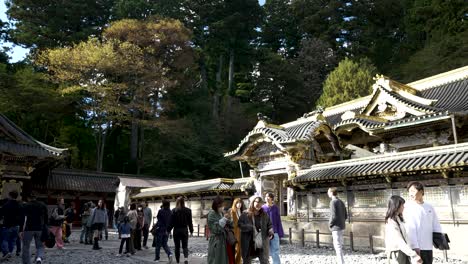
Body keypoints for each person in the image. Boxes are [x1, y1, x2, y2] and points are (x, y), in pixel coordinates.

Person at [404, 181, 443, 264]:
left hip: (428, 245)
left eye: (413, 191)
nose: (410, 193)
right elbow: (409, 228)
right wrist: (414, 247)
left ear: (421, 191)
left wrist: (440, 240)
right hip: (415, 247)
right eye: (409, 191)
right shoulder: (407, 207)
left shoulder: (429, 207)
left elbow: (435, 224)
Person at [385, 195, 422, 264]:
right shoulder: (391, 221)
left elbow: (405, 236)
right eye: (402, 205)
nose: (403, 207)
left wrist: (411, 249)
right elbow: (399, 241)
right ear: (396, 206)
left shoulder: (398, 218)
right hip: (397, 251)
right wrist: (413, 254)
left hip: (403, 250)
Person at [238, 196, 274, 264]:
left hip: (261, 242)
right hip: (249, 243)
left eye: (260, 203)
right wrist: (248, 227)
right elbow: (239, 224)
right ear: (252, 202)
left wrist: (270, 232)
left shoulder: (264, 214)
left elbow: (270, 224)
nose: (259, 204)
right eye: (257, 202)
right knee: (247, 261)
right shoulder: (245, 214)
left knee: (264, 261)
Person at [19, 194, 48, 264]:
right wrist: (45, 226)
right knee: (40, 246)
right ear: (36, 197)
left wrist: (20, 230)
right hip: (39, 228)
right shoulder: (42, 205)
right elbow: (46, 217)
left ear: (28, 198)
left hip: (28, 228)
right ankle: (39, 258)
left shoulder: (25, 205)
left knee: (26, 246)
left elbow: (22, 218)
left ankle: (27, 262)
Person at [169, 196, 194, 264]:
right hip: (184, 230)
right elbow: (190, 222)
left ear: (177, 202)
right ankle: (186, 259)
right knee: (185, 246)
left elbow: (171, 222)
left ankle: (177, 261)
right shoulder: (188, 210)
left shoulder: (173, 210)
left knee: (177, 247)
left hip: (176, 230)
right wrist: (191, 231)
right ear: (183, 202)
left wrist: (168, 230)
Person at [207, 196, 230, 264]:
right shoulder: (212, 213)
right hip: (215, 241)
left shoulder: (221, 213)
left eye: (223, 205)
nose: (222, 207)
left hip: (222, 240)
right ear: (216, 205)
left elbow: (228, 224)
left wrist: (229, 219)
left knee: (222, 260)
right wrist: (224, 219)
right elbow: (216, 229)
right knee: (215, 260)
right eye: (221, 205)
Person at [263, 192, 284, 264]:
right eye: (265, 196)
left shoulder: (275, 208)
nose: (266, 198)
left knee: (275, 252)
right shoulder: (262, 208)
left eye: (268, 196)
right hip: (265, 233)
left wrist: (280, 233)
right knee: (265, 252)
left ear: (272, 198)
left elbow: (278, 221)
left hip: (275, 232)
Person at [328, 187, 347, 264]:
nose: (327, 193)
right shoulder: (341, 201)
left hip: (336, 227)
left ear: (331, 193)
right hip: (342, 226)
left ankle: (341, 262)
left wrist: (330, 224)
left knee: (337, 246)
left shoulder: (333, 202)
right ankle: (340, 261)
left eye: (328, 192)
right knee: (340, 245)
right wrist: (341, 222)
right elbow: (345, 215)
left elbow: (333, 216)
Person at [0, 191, 22, 259]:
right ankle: (9, 252)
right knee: (13, 240)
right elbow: (22, 216)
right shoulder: (19, 205)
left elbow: (1, 214)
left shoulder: (6, 205)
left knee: (5, 240)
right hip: (17, 225)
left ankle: (6, 252)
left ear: (10, 196)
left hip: (7, 224)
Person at [230, 198, 245, 264]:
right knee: (235, 250)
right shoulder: (232, 211)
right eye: (237, 203)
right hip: (234, 233)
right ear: (235, 204)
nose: (239, 204)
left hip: (241, 233)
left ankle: (238, 262)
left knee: (240, 250)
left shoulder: (241, 212)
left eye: (240, 203)